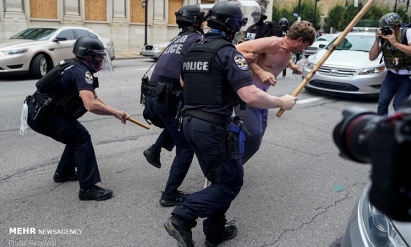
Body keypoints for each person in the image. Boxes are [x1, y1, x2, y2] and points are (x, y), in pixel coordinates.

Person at [163, 2, 297, 247]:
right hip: (213, 128)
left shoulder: (194, 48)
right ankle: (181, 217)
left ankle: (214, 232)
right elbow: (250, 95)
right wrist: (281, 101)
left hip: (190, 124)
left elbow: (183, 82)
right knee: (230, 182)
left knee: (219, 179)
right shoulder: (228, 52)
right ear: (233, 26)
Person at [25, 36, 129, 201]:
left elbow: (93, 97)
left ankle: (64, 172)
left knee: (75, 135)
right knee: (81, 137)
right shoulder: (82, 72)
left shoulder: (74, 65)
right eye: (98, 57)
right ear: (88, 56)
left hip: (38, 109)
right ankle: (88, 188)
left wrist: (115, 111)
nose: (101, 60)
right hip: (43, 114)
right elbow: (90, 105)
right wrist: (115, 113)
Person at [141, 4, 204, 207]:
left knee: (175, 124)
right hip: (167, 98)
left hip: (153, 96)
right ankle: (169, 195)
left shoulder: (176, 39)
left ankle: (155, 149)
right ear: (196, 21)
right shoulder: (196, 39)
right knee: (186, 147)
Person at [234, 21, 315, 164]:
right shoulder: (272, 43)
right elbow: (234, 50)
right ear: (299, 40)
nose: (305, 49)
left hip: (263, 98)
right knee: (253, 135)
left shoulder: (288, 50)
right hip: (249, 95)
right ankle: (229, 165)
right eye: (306, 45)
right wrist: (260, 71)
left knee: (258, 135)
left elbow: (279, 58)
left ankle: (233, 164)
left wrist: (292, 66)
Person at [369, 12, 411, 116]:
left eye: (388, 27)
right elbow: (372, 57)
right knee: (382, 103)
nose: (386, 30)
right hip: (391, 75)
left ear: (396, 26)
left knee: (398, 105)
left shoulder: (408, 32)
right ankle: (382, 128)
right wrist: (377, 40)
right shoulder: (384, 37)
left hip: (408, 75)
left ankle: (403, 129)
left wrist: (395, 43)